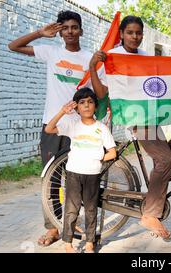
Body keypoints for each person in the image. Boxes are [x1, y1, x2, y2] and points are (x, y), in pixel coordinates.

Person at [88, 15, 171, 239]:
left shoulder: (147, 56)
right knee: (164, 161)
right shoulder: (113, 57)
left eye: (139, 33)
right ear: (122, 34)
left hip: (154, 114)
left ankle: (168, 166)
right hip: (136, 117)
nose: (135, 37)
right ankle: (150, 214)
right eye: (130, 32)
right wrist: (93, 67)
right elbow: (102, 93)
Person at [8, 10, 106, 247]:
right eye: (65, 28)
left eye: (74, 27)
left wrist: (93, 67)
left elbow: (101, 94)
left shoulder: (90, 59)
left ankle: (78, 228)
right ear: (60, 32)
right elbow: (13, 46)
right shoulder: (51, 52)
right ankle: (53, 227)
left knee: (79, 179)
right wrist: (40, 33)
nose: (70, 32)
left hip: (81, 128)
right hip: (53, 126)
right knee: (50, 180)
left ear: (81, 30)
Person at [45, 87, 117, 253]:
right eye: (82, 102)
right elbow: (49, 129)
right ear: (76, 107)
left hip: (93, 174)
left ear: (95, 107)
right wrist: (62, 112)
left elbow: (112, 153)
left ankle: (90, 242)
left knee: (91, 209)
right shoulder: (72, 125)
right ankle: (68, 244)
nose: (86, 105)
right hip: (74, 173)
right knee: (71, 209)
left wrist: (97, 158)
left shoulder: (101, 128)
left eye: (90, 102)